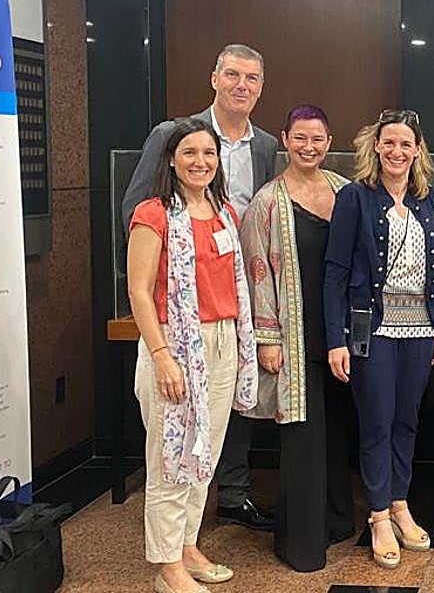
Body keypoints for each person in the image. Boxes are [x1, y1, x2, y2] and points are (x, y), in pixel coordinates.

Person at [122, 43, 277, 531]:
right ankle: (174, 541)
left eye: (252, 78)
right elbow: (136, 208)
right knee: (175, 431)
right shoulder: (177, 135)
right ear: (214, 78)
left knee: (227, 406)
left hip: (237, 300)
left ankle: (229, 496)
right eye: (232, 75)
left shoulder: (267, 146)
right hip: (179, 311)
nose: (241, 86)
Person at [126, 118, 258, 593]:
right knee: (171, 458)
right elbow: (139, 291)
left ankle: (186, 546)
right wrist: (162, 356)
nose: (200, 162)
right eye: (189, 154)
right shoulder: (153, 213)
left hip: (222, 343)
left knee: (205, 453)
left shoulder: (224, 211)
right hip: (176, 344)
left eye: (208, 153)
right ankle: (166, 567)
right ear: (171, 160)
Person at [324, 109, 434, 569]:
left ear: (417, 151)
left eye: (406, 144)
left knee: (407, 419)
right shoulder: (355, 198)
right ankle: (378, 514)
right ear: (376, 147)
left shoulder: (425, 200)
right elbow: (335, 271)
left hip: (418, 327)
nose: (397, 152)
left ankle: (401, 503)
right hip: (370, 329)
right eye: (389, 143)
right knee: (375, 420)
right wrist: (336, 338)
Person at [239, 105, 354, 572]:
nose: (309, 147)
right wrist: (268, 339)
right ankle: (301, 543)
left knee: (337, 433)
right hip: (294, 337)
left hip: (342, 337)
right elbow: (256, 275)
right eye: (300, 138)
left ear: (330, 142)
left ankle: (336, 522)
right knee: (303, 438)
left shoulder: (345, 193)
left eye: (319, 139)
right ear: (285, 139)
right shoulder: (267, 202)